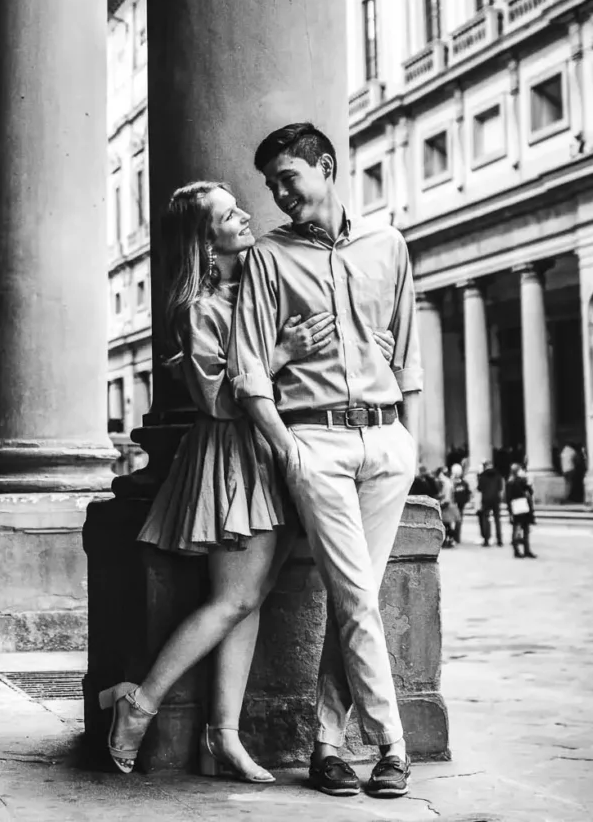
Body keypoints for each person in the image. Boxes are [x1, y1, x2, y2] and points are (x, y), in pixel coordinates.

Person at [99, 181, 333, 782]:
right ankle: (140, 703)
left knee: (248, 601)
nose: (247, 215)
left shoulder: (259, 289)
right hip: (233, 456)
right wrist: (279, 355)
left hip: (273, 454)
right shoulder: (200, 309)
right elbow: (216, 399)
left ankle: (223, 738)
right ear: (207, 243)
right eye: (230, 215)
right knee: (232, 599)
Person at [228, 123, 423, 800]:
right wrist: (288, 449)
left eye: (288, 177)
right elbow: (246, 372)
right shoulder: (268, 258)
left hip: (386, 443)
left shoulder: (387, 245)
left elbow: (407, 355)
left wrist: (410, 442)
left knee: (356, 600)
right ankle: (393, 746)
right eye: (272, 184)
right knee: (356, 598)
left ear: (327, 167)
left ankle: (328, 746)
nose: (280, 194)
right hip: (316, 444)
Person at [506, 465, 536, 558]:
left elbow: (508, 498)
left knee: (518, 528)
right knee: (524, 529)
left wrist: (510, 510)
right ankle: (525, 550)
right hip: (522, 506)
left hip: (517, 507)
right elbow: (530, 491)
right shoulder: (520, 481)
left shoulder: (510, 482)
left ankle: (518, 550)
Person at [475, 461, 505, 547]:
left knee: (486, 519)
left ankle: (486, 540)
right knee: (497, 520)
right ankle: (499, 540)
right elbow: (500, 487)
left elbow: (479, 488)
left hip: (486, 499)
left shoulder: (482, 476)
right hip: (495, 499)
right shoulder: (498, 475)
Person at [437, 465, 461, 548]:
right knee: (447, 524)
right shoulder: (447, 481)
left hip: (446, 504)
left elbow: (446, 495)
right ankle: (450, 539)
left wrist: (443, 502)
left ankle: (448, 540)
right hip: (449, 504)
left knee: (446, 524)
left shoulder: (445, 481)